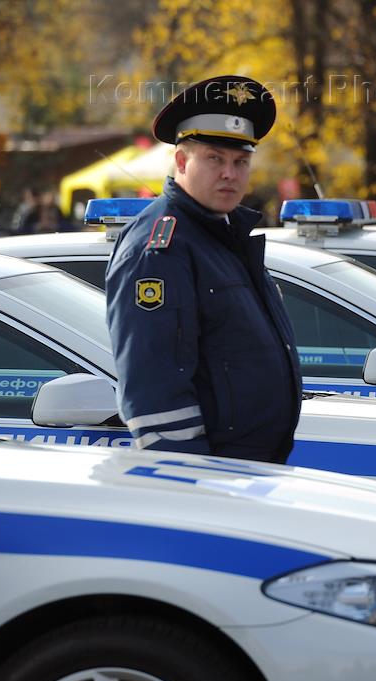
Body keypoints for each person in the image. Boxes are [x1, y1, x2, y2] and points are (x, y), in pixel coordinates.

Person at [105, 75, 302, 463]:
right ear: (181, 160)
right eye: (215, 158)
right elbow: (153, 386)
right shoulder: (161, 247)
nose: (230, 173)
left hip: (246, 469)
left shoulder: (221, 234)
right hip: (211, 475)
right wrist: (192, 480)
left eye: (240, 161)